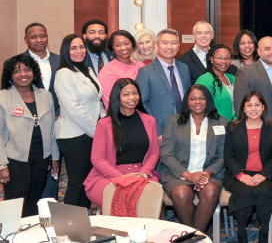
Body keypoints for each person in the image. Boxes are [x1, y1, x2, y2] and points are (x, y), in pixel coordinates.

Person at [83, 78, 161, 207]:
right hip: (109, 175)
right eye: (126, 94)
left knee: (149, 198)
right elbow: (97, 159)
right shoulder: (104, 124)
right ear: (117, 97)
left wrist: (143, 173)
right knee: (120, 196)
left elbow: (154, 152)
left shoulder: (149, 121)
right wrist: (121, 177)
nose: (132, 97)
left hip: (141, 174)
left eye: (135, 93)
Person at [158, 84, 225, 232]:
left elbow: (223, 155)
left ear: (208, 100)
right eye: (193, 99)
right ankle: (196, 238)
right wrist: (188, 175)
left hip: (208, 174)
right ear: (187, 102)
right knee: (181, 195)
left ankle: (192, 237)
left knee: (211, 192)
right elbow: (166, 155)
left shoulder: (220, 122)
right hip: (179, 174)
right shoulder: (174, 121)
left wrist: (207, 173)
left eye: (202, 98)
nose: (197, 102)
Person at [0, 54, 57, 216]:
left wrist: (55, 157)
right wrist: (2, 165)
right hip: (15, 159)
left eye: (27, 69)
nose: (23, 74)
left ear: (34, 72)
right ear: (10, 75)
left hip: (41, 157)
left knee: (35, 198)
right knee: (15, 200)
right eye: (17, 71)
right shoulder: (3, 98)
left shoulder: (45, 96)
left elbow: (52, 130)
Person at [224, 90, 272, 243]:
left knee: (263, 191)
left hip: (265, 174)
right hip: (239, 174)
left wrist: (263, 174)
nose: (253, 109)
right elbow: (228, 157)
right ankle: (242, 234)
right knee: (245, 193)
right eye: (249, 105)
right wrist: (241, 176)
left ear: (263, 107)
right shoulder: (233, 127)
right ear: (243, 108)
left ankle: (264, 234)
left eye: (257, 105)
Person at [53, 34, 103, 207]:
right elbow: (73, 109)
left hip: (90, 133)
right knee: (76, 182)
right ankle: (70, 223)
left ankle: (84, 219)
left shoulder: (87, 71)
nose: (79, 51)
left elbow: (97, 101)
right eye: (73, 48)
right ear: (66, 51)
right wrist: (98, 131)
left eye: (81, 47)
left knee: (88, 182)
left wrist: (104, 127)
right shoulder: (63, 74)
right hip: (74, 135)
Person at [136, 29, 191, 135]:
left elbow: (187, 98)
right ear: (156, 46)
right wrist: (157, 131)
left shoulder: (184, 68)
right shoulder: (146, 72)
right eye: (165, 43)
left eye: (173, 43)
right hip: (160, 130)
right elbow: (142, 104)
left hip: (185, 128)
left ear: (178, 46)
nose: (169, 46)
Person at [233, 36, 272, 123]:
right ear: (259, 52)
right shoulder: (246, 72)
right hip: (260, 127)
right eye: (267, 49)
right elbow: (240, 104)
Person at [98, 30, 146, 109]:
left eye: (127, 44)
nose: (123, 48)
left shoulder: (140, 65)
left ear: (132, 45)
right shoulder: (108, 71)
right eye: (118, 45)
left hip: (144, 113)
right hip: (121, 118)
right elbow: (111, 102)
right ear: (113, 47)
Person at [22, 23, 62, 115]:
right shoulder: (16, 63)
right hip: (28, 118)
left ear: (47, 37)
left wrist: (59, 113)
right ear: (25, 40)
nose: (39, 40)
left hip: (59, 118)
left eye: (42, 36)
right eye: (34, 37)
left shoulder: (61, 61)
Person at [195, 45, 237, 121]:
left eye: (227, 58)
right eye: (219, 58)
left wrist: (236, 119)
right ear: (212, 59)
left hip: (234, 126)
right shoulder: (205, 80)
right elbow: (199, 106)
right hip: (215, 126)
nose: (224, 61)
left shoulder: (233, 78)